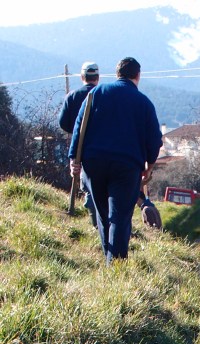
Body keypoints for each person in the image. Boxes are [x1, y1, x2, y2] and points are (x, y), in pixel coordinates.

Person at [68, 57, 162, 263]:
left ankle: (109, 258)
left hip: (94, 163)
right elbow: (154, 139)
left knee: (103, 215)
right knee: (120, 216)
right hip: (127, 166)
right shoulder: (143, 102)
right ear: (138, 75)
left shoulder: (95, 94)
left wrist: (73, 158)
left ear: (117, 74)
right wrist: (150, 165)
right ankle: (116, 264)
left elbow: (79, 127)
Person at [59, 60, 100, 225]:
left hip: (79, 147)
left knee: (82, 176)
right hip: (99, 146)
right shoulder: (102, 95)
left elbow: (63, 123)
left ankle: (88, 210)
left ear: (82, 77)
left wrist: (75, 132)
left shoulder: (73, 96)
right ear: (97, 77)